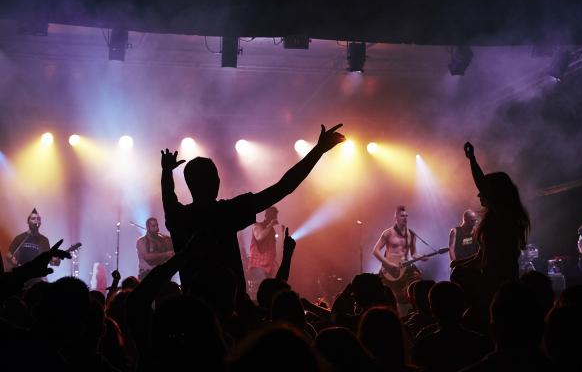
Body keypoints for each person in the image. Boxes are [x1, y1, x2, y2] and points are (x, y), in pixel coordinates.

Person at [161, 123, 345, 299]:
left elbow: (169, 197)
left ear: (190, 184)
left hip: (194, 309)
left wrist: (167, 172)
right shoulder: (227, 211)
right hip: (232, 312)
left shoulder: (179, 217)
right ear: (216, 182)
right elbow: (284, 187)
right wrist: (318, 150)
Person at [450, 142, 530, 332]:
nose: (479, 194)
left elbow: (481, 185)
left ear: (495, 193)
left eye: (484, 191)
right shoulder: (493, 218)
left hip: (499, 280)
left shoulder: (504, 214)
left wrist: (472, 160)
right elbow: (482, 255)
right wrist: (462, 263)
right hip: (490, 276)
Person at [373, 205, 427, 305]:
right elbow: (375, 251)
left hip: (405, 268)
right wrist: (388, 264)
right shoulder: (388, 233)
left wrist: (420, 257)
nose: (405, 218)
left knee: (415, 292)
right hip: (389, 270)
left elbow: (413, 254)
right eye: (402, 216)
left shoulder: (412, 234)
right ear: (396, 217)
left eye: (406, 216)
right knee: (387, 298)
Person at [247, 206, 280, 294]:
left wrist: (274, 262)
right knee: (265, 291)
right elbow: (259, 237)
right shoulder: (257, 225)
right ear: (266, 215)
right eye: (273, 215)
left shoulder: (271, 230)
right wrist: (271, 224)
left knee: (270, 292)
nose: (275, 217)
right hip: (258, 266)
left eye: (275, 215)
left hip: (268, 267)